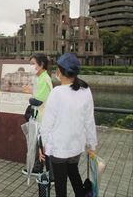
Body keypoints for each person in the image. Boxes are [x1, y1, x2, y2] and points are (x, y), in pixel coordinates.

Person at [40, 53, 97, 197]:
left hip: (59, 147)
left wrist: (42, 145)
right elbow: (89, 120)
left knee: (61, 185)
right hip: (76, 146)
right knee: (73, 173)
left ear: (60, 71)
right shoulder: (85, 90)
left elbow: (47, 124)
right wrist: (92, 145)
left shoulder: (57, 92)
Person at [21, 53, 53, 175]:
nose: (31, 66)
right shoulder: (39, 78)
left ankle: (50, 174)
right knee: (40, 143)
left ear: (41, 64)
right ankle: (39, 168)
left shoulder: (44, 79)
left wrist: (30, 96)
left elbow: (37, 100)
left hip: (44, 118)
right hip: (39, 117)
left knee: (44, 145)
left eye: (33, 64)